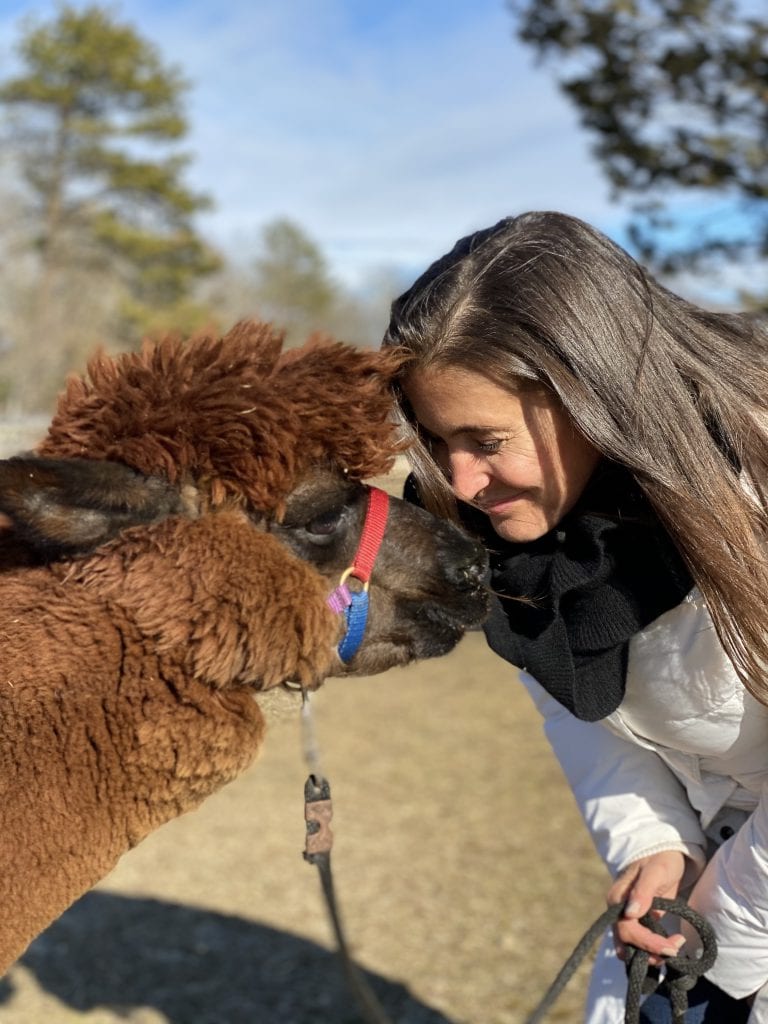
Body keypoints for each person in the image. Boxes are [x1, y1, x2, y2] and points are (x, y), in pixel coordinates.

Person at [380, 210, 768, 1024]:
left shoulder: (753, 488)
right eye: (436, 437)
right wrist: (654, 842)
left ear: (591, 393)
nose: (462, 480)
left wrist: (725, 919)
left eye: (485, 439)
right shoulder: (520, 543)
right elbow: (581, 709)